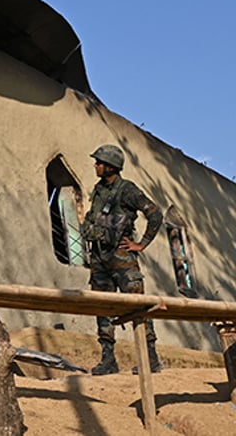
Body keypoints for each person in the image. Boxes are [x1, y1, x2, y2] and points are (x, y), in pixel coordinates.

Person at [83, 144, 163, 375]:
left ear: (111, 166)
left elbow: (155, 214)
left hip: (121, 256)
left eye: (99, 162)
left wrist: (142, 244)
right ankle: (108, 359)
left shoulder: (127, 190)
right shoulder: (99, 190)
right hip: (99, 257)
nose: (95, 165)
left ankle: (151, 358)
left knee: (136, 304)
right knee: (102, 307)